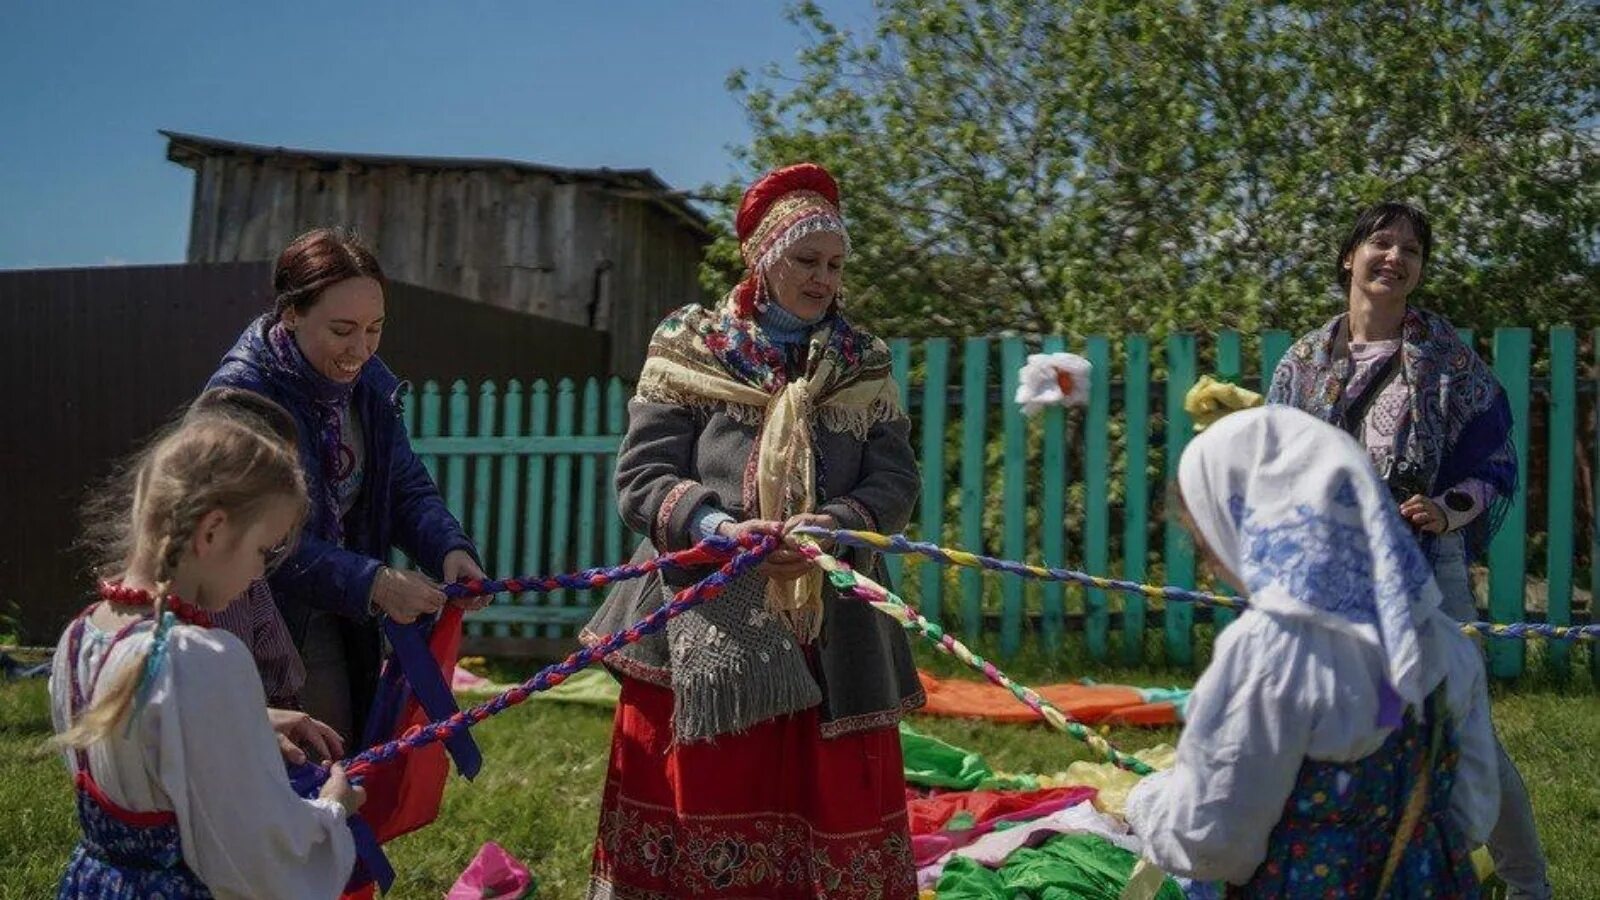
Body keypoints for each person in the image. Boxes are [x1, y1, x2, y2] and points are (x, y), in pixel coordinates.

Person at [582, 163, 923, 899]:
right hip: (701, 611)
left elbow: (894, 483)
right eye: (806, 260)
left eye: (834, 265)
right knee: (703, 792)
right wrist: (715, 528)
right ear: (762, 257)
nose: (823, 279)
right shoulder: (690, 345)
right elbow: (641, 480)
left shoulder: (862, 360)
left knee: (830, 801)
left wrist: (834, 526)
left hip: (832, 621)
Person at [1267, 201, 1548, 898]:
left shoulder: (1446, 357)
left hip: (1427, 569)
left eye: (1411, 251)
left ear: (1421, 270)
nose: (1395, 258)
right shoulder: (1302, 362)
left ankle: (1527, 883)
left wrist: (1447, 511)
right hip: (1332, 575)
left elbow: (1495, 464)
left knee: (1460, 728)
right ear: (1348, 257)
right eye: (1381, 243)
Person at [1125, 406, 1499, 895]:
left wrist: (1148, 802)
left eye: (1207, 543)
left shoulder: (1269, 654)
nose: (1213, 567)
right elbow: (1471, 815)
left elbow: (1210, 839)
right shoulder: (1439, 639)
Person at [51, 401, 362, 898]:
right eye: (263, 550)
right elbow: (253, 849)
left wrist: (248, 720)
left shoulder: (80, 637)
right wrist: (330, 813)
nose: (261, 573)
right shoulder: (205, 658)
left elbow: (143, 743)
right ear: (213, 531)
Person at [205, 228, 487, 743]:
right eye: (342, 330)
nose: (360, 349)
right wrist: (373, 583)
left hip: (337, 616)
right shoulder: (242, 403)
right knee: (283, 785)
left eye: (375, 329)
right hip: (254, 628)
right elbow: (251, 543)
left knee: (338, 770)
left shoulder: (370, 388)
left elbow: (404, 486)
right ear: (291, 314)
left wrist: (448, 547)